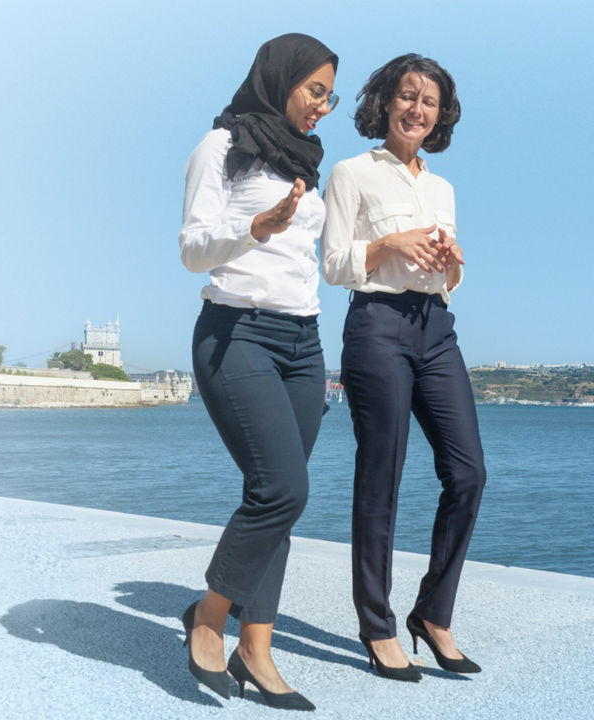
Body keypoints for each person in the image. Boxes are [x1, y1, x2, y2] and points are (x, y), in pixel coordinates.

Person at [178, 33, 338, 709]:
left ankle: (257, 649)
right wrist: (257, 230)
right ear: (281, 79)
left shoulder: (306, 162)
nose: (323, 108)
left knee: (276, 501)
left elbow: (320, 264)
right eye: (315, 91)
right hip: (236, 333)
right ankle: (210, 618)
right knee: (282, 490)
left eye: (331, 96)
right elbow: (191, 250)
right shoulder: (221, 147)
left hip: (303, 346)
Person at [321, 54, 486, 682]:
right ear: (386, 101)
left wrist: (451, 258)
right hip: (377, 326)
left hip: (436, 329)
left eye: (430, 102)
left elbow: (452, 279)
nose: (418, 110)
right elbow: (334, 262)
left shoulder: (441, 188)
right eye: (407, 97)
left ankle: (433, 615)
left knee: (469, 473)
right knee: (382, 477)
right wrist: (389, 243)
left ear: (441, 116)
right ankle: (378, 626)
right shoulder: (351, 173)